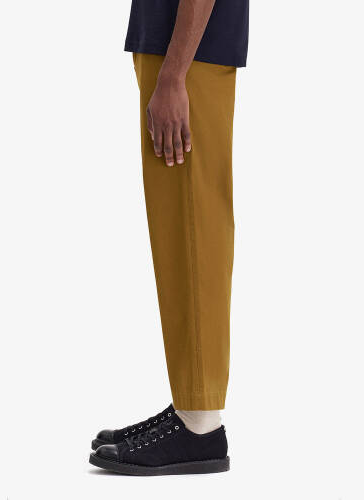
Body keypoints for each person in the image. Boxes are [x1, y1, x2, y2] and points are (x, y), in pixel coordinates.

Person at [89, 0, 249, 475]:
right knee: (179, 234)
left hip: (188, 55)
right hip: (175, 48)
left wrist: (175, 75)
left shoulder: (181, 69)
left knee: (196, 230)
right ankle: (190, 406)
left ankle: (200, 423)